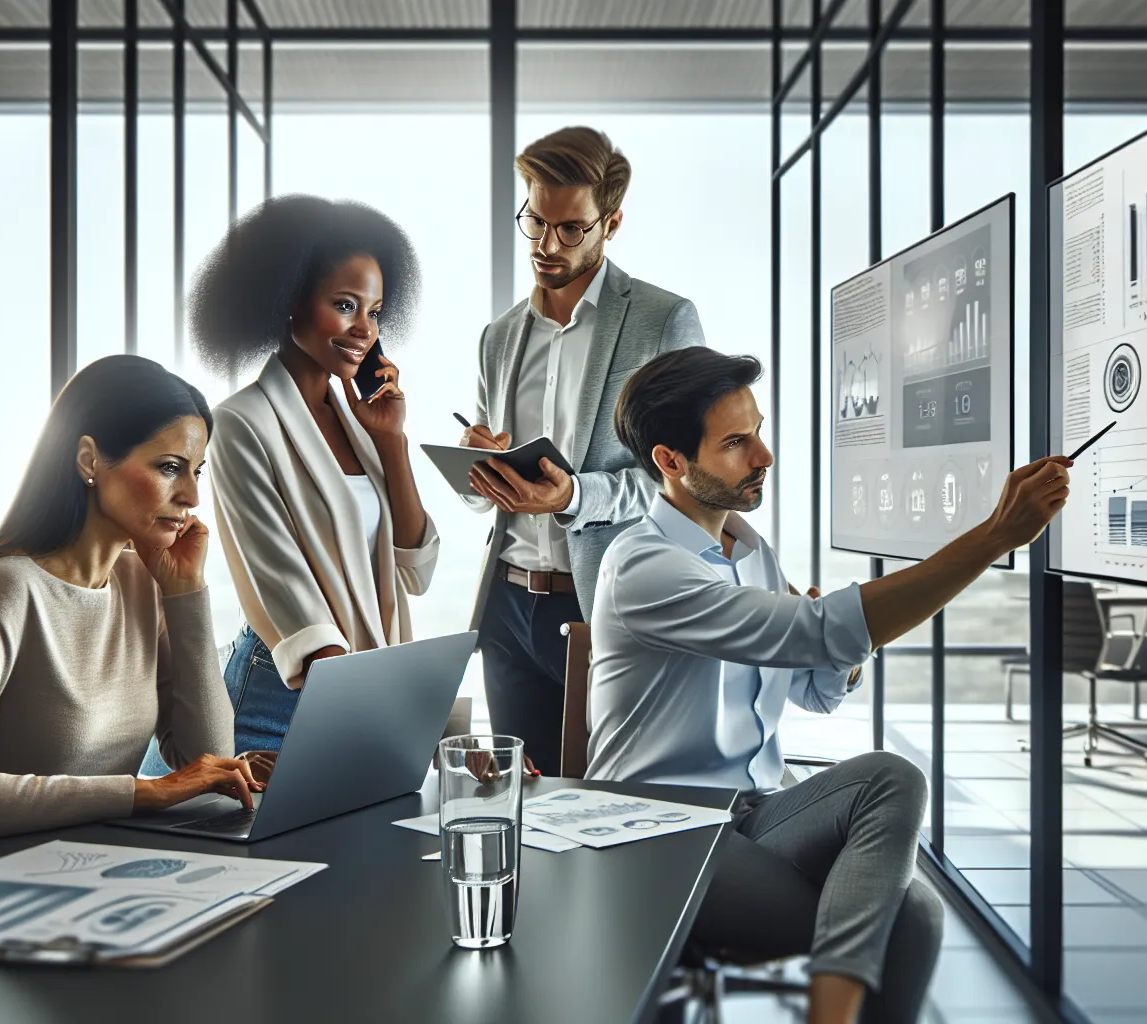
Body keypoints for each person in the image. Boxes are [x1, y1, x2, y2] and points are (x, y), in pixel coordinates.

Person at [589, 347, 1071, 1024]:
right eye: (735, 443)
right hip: (657, 831)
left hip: (751, 812)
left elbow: (812, 691)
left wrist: (826, 648)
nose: (764, 456)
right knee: (903, 879)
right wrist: (995, 536)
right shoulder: (642, 567)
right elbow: (817, 632)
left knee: (913, 892)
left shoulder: (749, 551)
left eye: (758, 431)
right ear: (671, 461)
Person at [0, 356, 258, 853]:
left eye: (196, 471)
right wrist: (143, 792)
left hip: (80, 869)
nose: (191, 495)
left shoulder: (142, 585)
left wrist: (186, 592)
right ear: (89, 460)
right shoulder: (3, 588)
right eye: (169, 468)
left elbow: (208, 758)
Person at [152, 194, 441, 771]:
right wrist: (402, 735)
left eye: (376, 312)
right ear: (289, 301)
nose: (365, 329)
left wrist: (393, 442)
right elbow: (289, 596)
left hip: (351, 691)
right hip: (274, 698)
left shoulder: (362, 426)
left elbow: (415, 566)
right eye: (344, 305)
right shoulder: (238, 423)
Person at [458, 126, 706, 774]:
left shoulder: (663, 320)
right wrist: (476, 463)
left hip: (603, 600)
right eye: (535, 221)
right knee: (524, 801)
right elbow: (481, 490)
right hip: (508, 607)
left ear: (611, 222)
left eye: (569, 229)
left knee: (605, 805)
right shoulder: (500, 336)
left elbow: (690, 480)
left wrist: (575, 496)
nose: (545, 244)